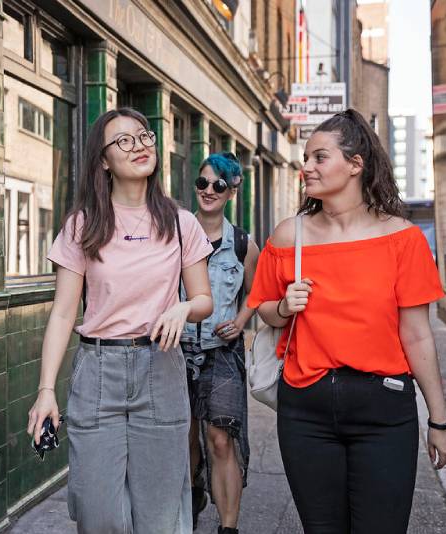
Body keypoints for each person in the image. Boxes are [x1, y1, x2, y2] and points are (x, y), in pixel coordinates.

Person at [247, 109, 446, 533]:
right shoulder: (290, 236)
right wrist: (285, 307)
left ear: (355, 164)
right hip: (305, 413)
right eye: (306, 157)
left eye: (319, 158)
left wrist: (439, 419)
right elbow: (264, 309)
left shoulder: (402, 239)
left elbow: (417, 336)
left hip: (384, 409)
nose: (306, 167)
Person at [26, 107, 214, 534]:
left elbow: (204, 300)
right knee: (99, 515)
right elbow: (61, 312)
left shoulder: (181, 223)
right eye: (124, 141)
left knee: (160, 517)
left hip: (160, 369)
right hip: (97, 374)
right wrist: (45, 390)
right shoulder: (83, 225)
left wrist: (183, 308)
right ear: (103, 161)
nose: (140, 145)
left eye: (144, 136)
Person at [180, 153, 259, 534]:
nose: (208, 191)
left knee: (220, 438)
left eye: (218, 186)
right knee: (184, 435)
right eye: (202, 183)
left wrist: (240, 322)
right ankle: (194, 488)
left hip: (221, 353)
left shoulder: (243, 244)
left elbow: (255, 294)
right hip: (174, 350)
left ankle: (228, 527)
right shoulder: (174, 235)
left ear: (232, 192)